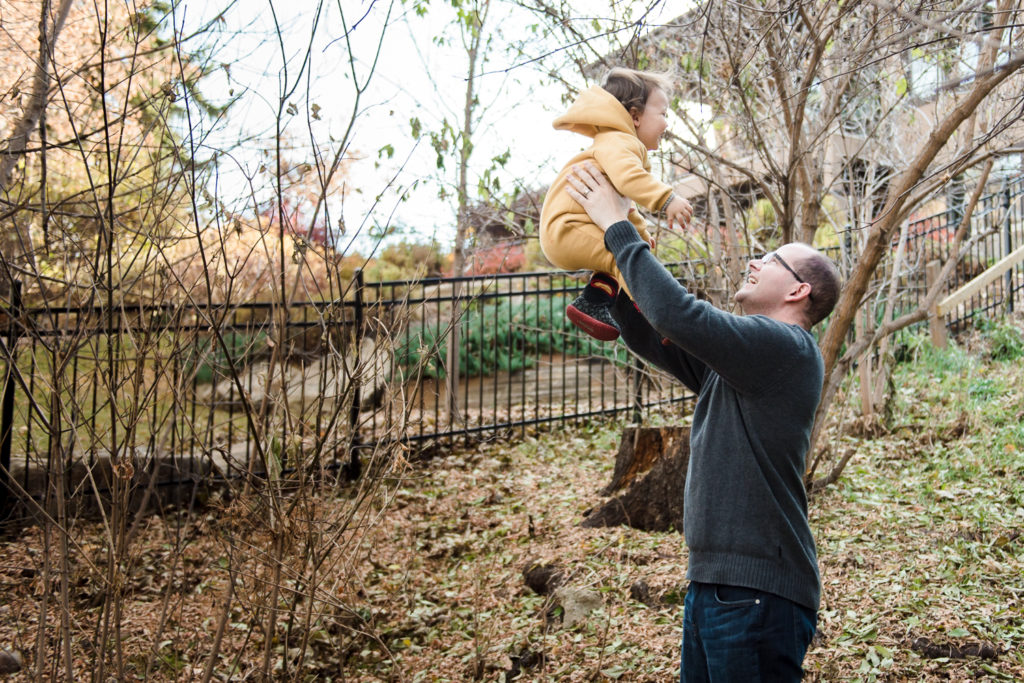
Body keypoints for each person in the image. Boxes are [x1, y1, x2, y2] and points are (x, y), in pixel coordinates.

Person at [564, 161, 841, 682]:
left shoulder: (784, 347)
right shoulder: (746, 364)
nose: (756, 261)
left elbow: (680, 316)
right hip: (718, 587)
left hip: (757, 594)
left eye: (772, 259)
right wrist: (609, 276)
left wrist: (618, 226)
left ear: (798, 291)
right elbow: (660, 338)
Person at [539, 67, 693, 342]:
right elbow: (629, 179)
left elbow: (625, 207)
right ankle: (658, 317)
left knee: (619, 255)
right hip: (567, 229)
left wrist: (642, 235)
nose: (667, 124)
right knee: (623, 259)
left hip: (570, 228)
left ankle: (594, 301)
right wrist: (666, 198)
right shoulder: (620, 142)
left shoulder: (614, 144)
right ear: (635, 117)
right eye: (663, 114)